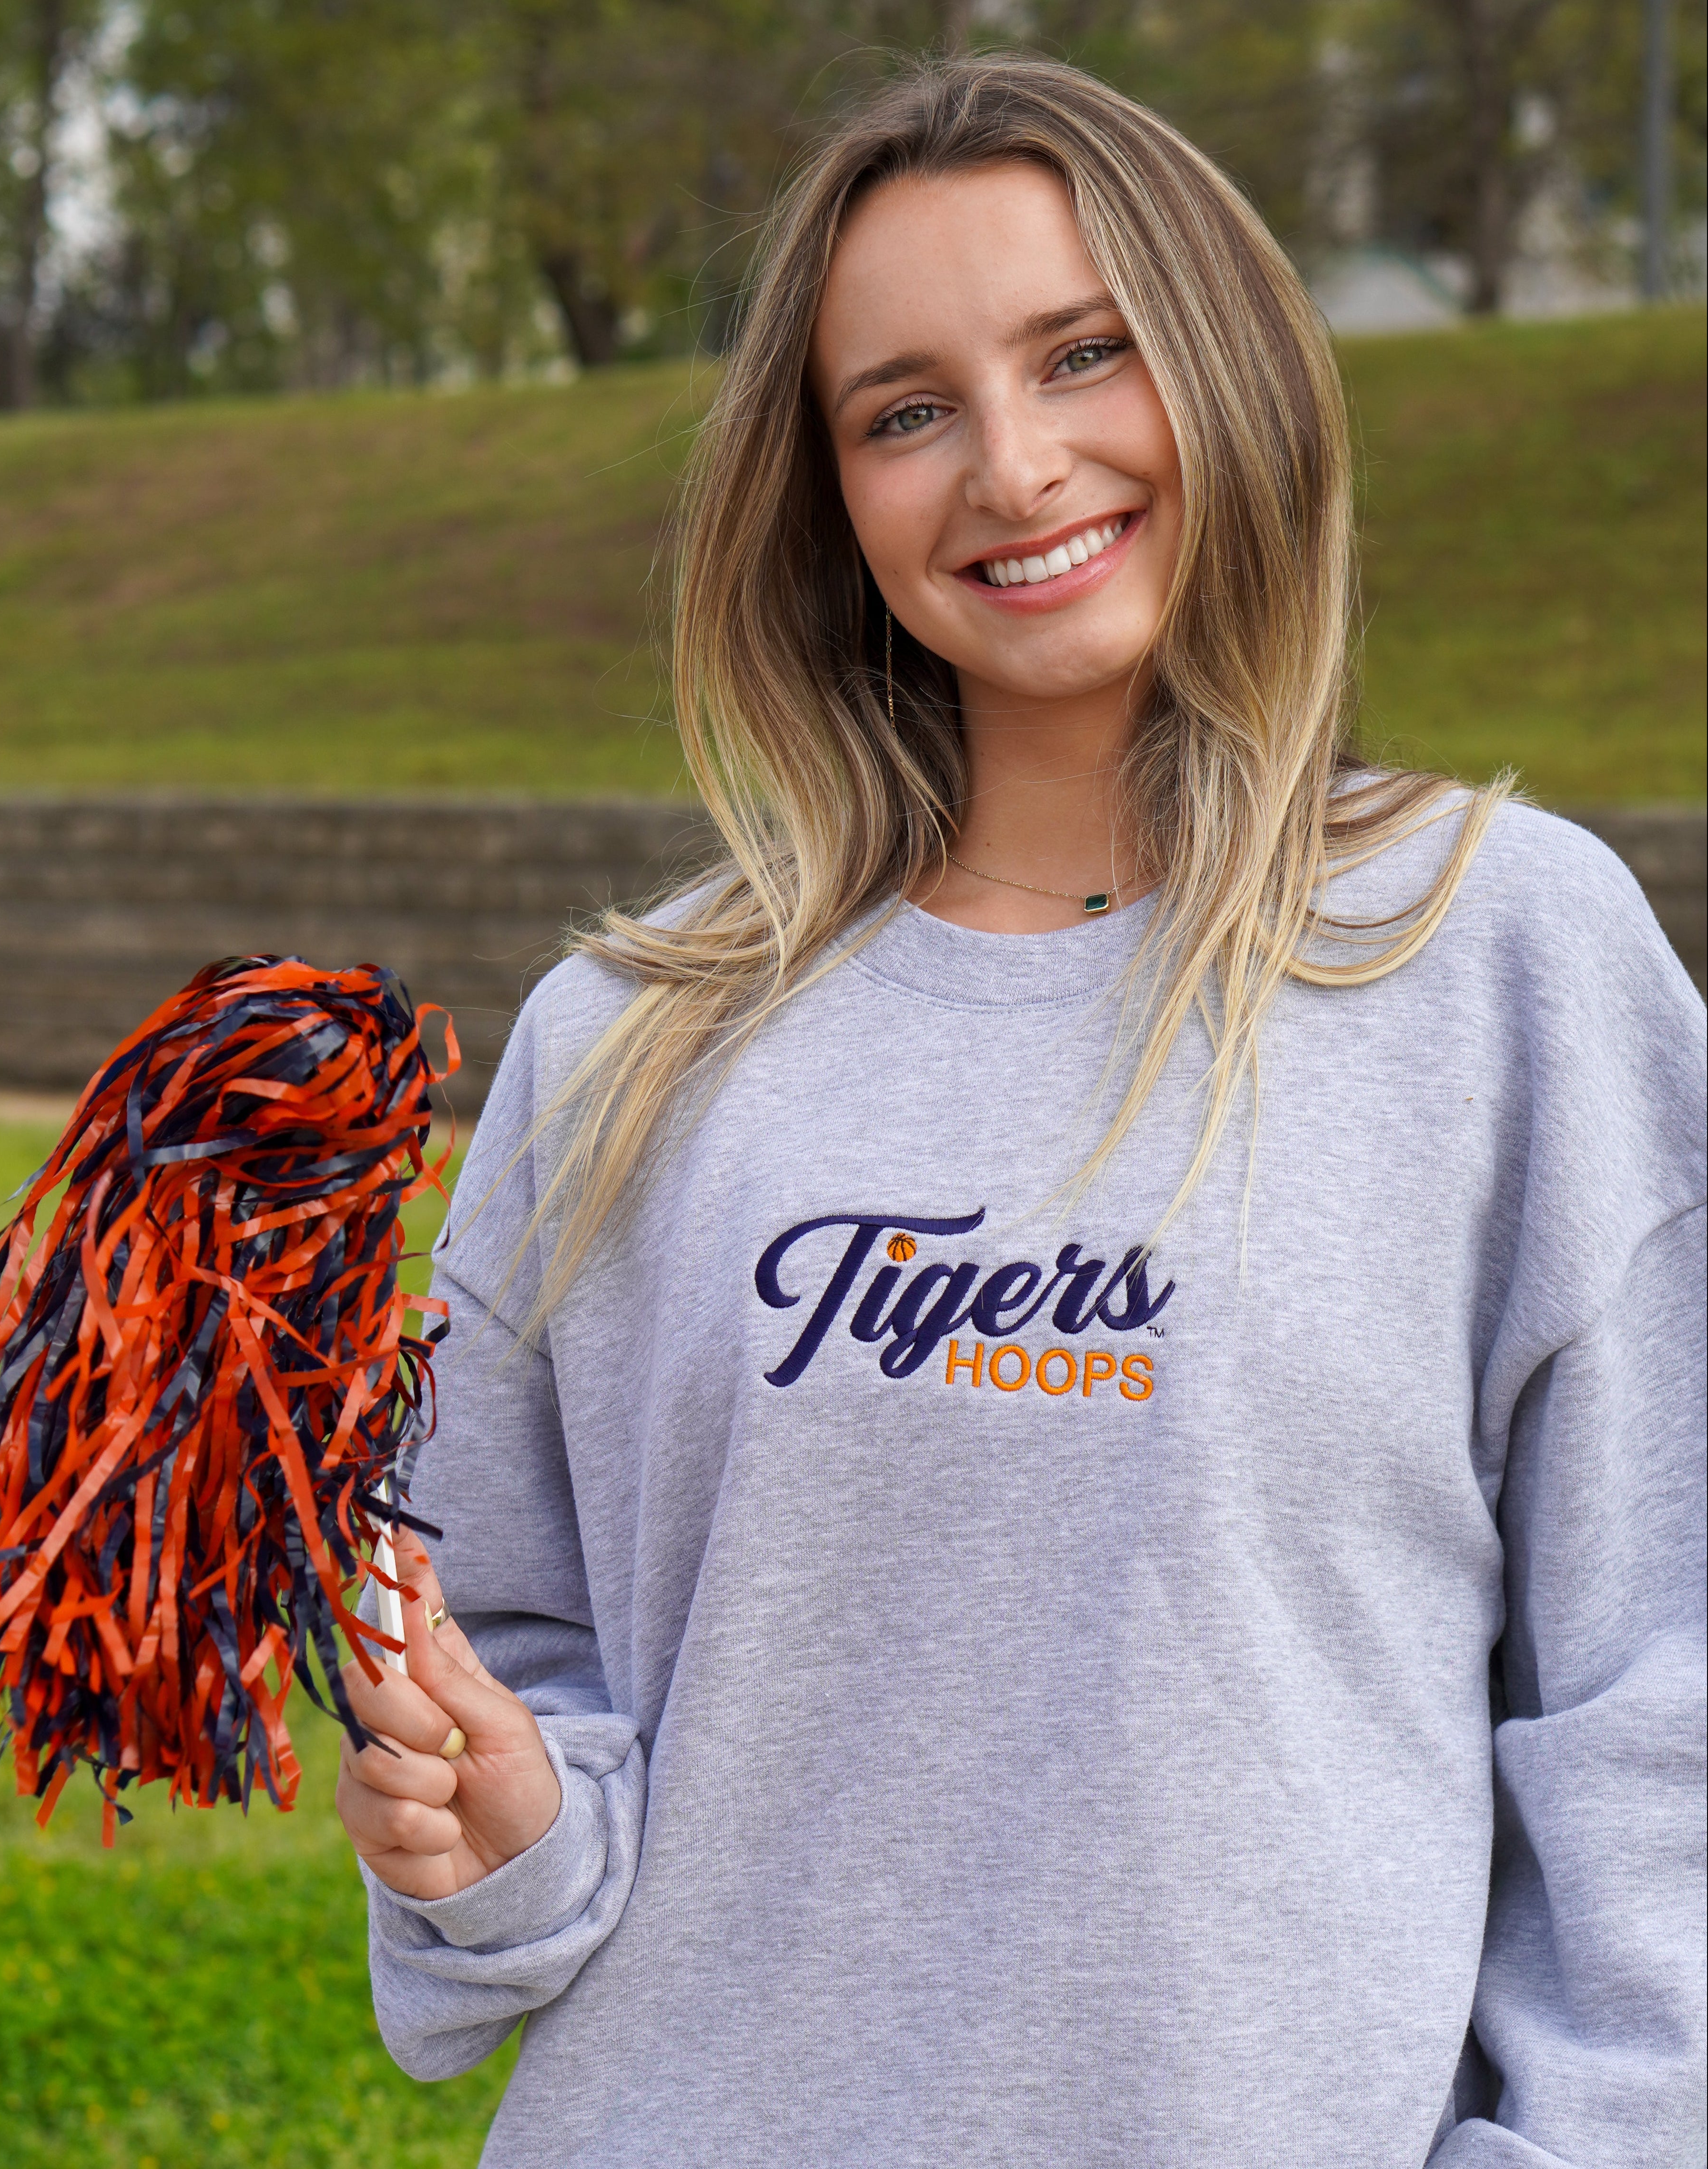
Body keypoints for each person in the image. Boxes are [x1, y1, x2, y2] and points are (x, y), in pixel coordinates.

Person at [333, 54, 1706, 2168]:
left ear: (1231, 366)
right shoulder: (626, 1037)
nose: (1010, 462)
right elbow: (521, 1676)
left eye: (1084, 354)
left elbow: (1654, 1703)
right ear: (825, 492)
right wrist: (491, 1823)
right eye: (901, 410)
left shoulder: (1498, 957)